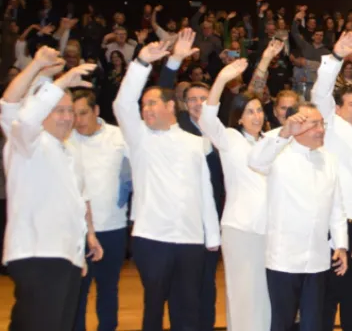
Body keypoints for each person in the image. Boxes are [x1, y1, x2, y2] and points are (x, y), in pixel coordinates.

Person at [113, 39, 221, 331]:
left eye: (152, 103)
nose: (146, 109)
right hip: (151, 239)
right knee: (153, 309)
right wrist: (141, 63)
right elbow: (122, 104)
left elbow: (205, 192)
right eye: (144, 104)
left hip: (190, 241)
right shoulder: (139, 138)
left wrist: (211, 236)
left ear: (170, 106)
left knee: (187, 307)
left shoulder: (196, 143)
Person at [2, 48, 102, 330]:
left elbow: (76, 203)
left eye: (70, 111)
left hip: (66, 256)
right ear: (44, 111)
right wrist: (46, 75)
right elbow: (11, 107)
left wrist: (86, 240)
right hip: (38, 255)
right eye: (59, 110)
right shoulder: (26, 143)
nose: (67, 117)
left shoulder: (67, 152)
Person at [198, 42, 282, 331]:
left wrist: (268, 58)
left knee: (264, 298)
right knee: (244, 296)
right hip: (241, 229)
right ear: (239, 116)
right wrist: (222, 79)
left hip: (269, 229)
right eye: (249, 111)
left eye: (259, 110)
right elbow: (207, 118)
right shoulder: (230, 138)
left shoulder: (270, 142)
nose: (256, 116)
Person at [249, 101, 349, 331]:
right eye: (314, 124)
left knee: (314, 324)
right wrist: (284, 133)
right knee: (282, 323)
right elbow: (254, 161)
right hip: (283, 259)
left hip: (317, 260)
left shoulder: (329, 159)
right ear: (296, 126)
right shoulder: (278, 153)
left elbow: (337, 207)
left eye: (321, 124)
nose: (321, 130)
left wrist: (341, 245)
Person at [311, 31, 352, 331]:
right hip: (337, 226)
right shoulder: (332, 126)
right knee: (327, 302)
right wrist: (335, 58)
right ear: (337, 109)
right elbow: (320, 94)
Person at [71, 89, 131, 331]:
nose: (77, 120)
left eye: (83, 113)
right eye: (73, 114)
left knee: (108, 290)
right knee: (77, 294)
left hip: (113, 227)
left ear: (96, 111)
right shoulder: (65, 138)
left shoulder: (119, 136)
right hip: (76, 230)